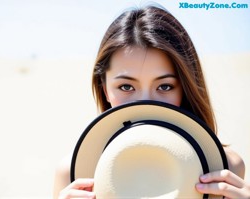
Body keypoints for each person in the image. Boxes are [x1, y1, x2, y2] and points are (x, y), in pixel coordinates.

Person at [53, 4, 250, 199]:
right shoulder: (73, 174)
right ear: (105, 90)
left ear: (185, 88)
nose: (145, 102)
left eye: (164, 87)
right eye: (126, 87)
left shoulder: (227, 167)